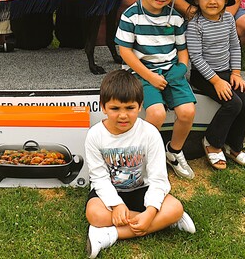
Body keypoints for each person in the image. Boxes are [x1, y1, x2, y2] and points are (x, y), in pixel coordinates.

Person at [84, 69, 195, 258]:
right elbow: (99, 178)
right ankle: (166, 221)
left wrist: (150, 211)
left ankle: (111, 234)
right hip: (110, 191)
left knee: (175, 207)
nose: (123, 115)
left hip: (142, 189)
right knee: (95, 214)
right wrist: (116, 205)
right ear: (103, 107)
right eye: (115, 108)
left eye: (130, 108)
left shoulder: (150, 133)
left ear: (140, 106)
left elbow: (158, 178)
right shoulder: (95, 135)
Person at [115, 0, 196, 180]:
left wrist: (181, 68)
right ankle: (143, 157)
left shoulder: (175, 18)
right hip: (141, 71)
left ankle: (174, 151)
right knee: (156, 113)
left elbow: (182, 49)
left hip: (171, 70)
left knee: (187, 112)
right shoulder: (131, 15)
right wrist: (150, 76)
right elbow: (125, 52)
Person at [183, 0, 245, 170]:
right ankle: (212, 142)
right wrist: (216, 81)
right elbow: (196, 58)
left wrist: (236, 73)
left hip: (226, 72)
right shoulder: (195, 25)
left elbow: (234, 46)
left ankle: (234, 146)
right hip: (204, 75)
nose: (212, 1)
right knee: (233, 104)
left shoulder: (229, 20)